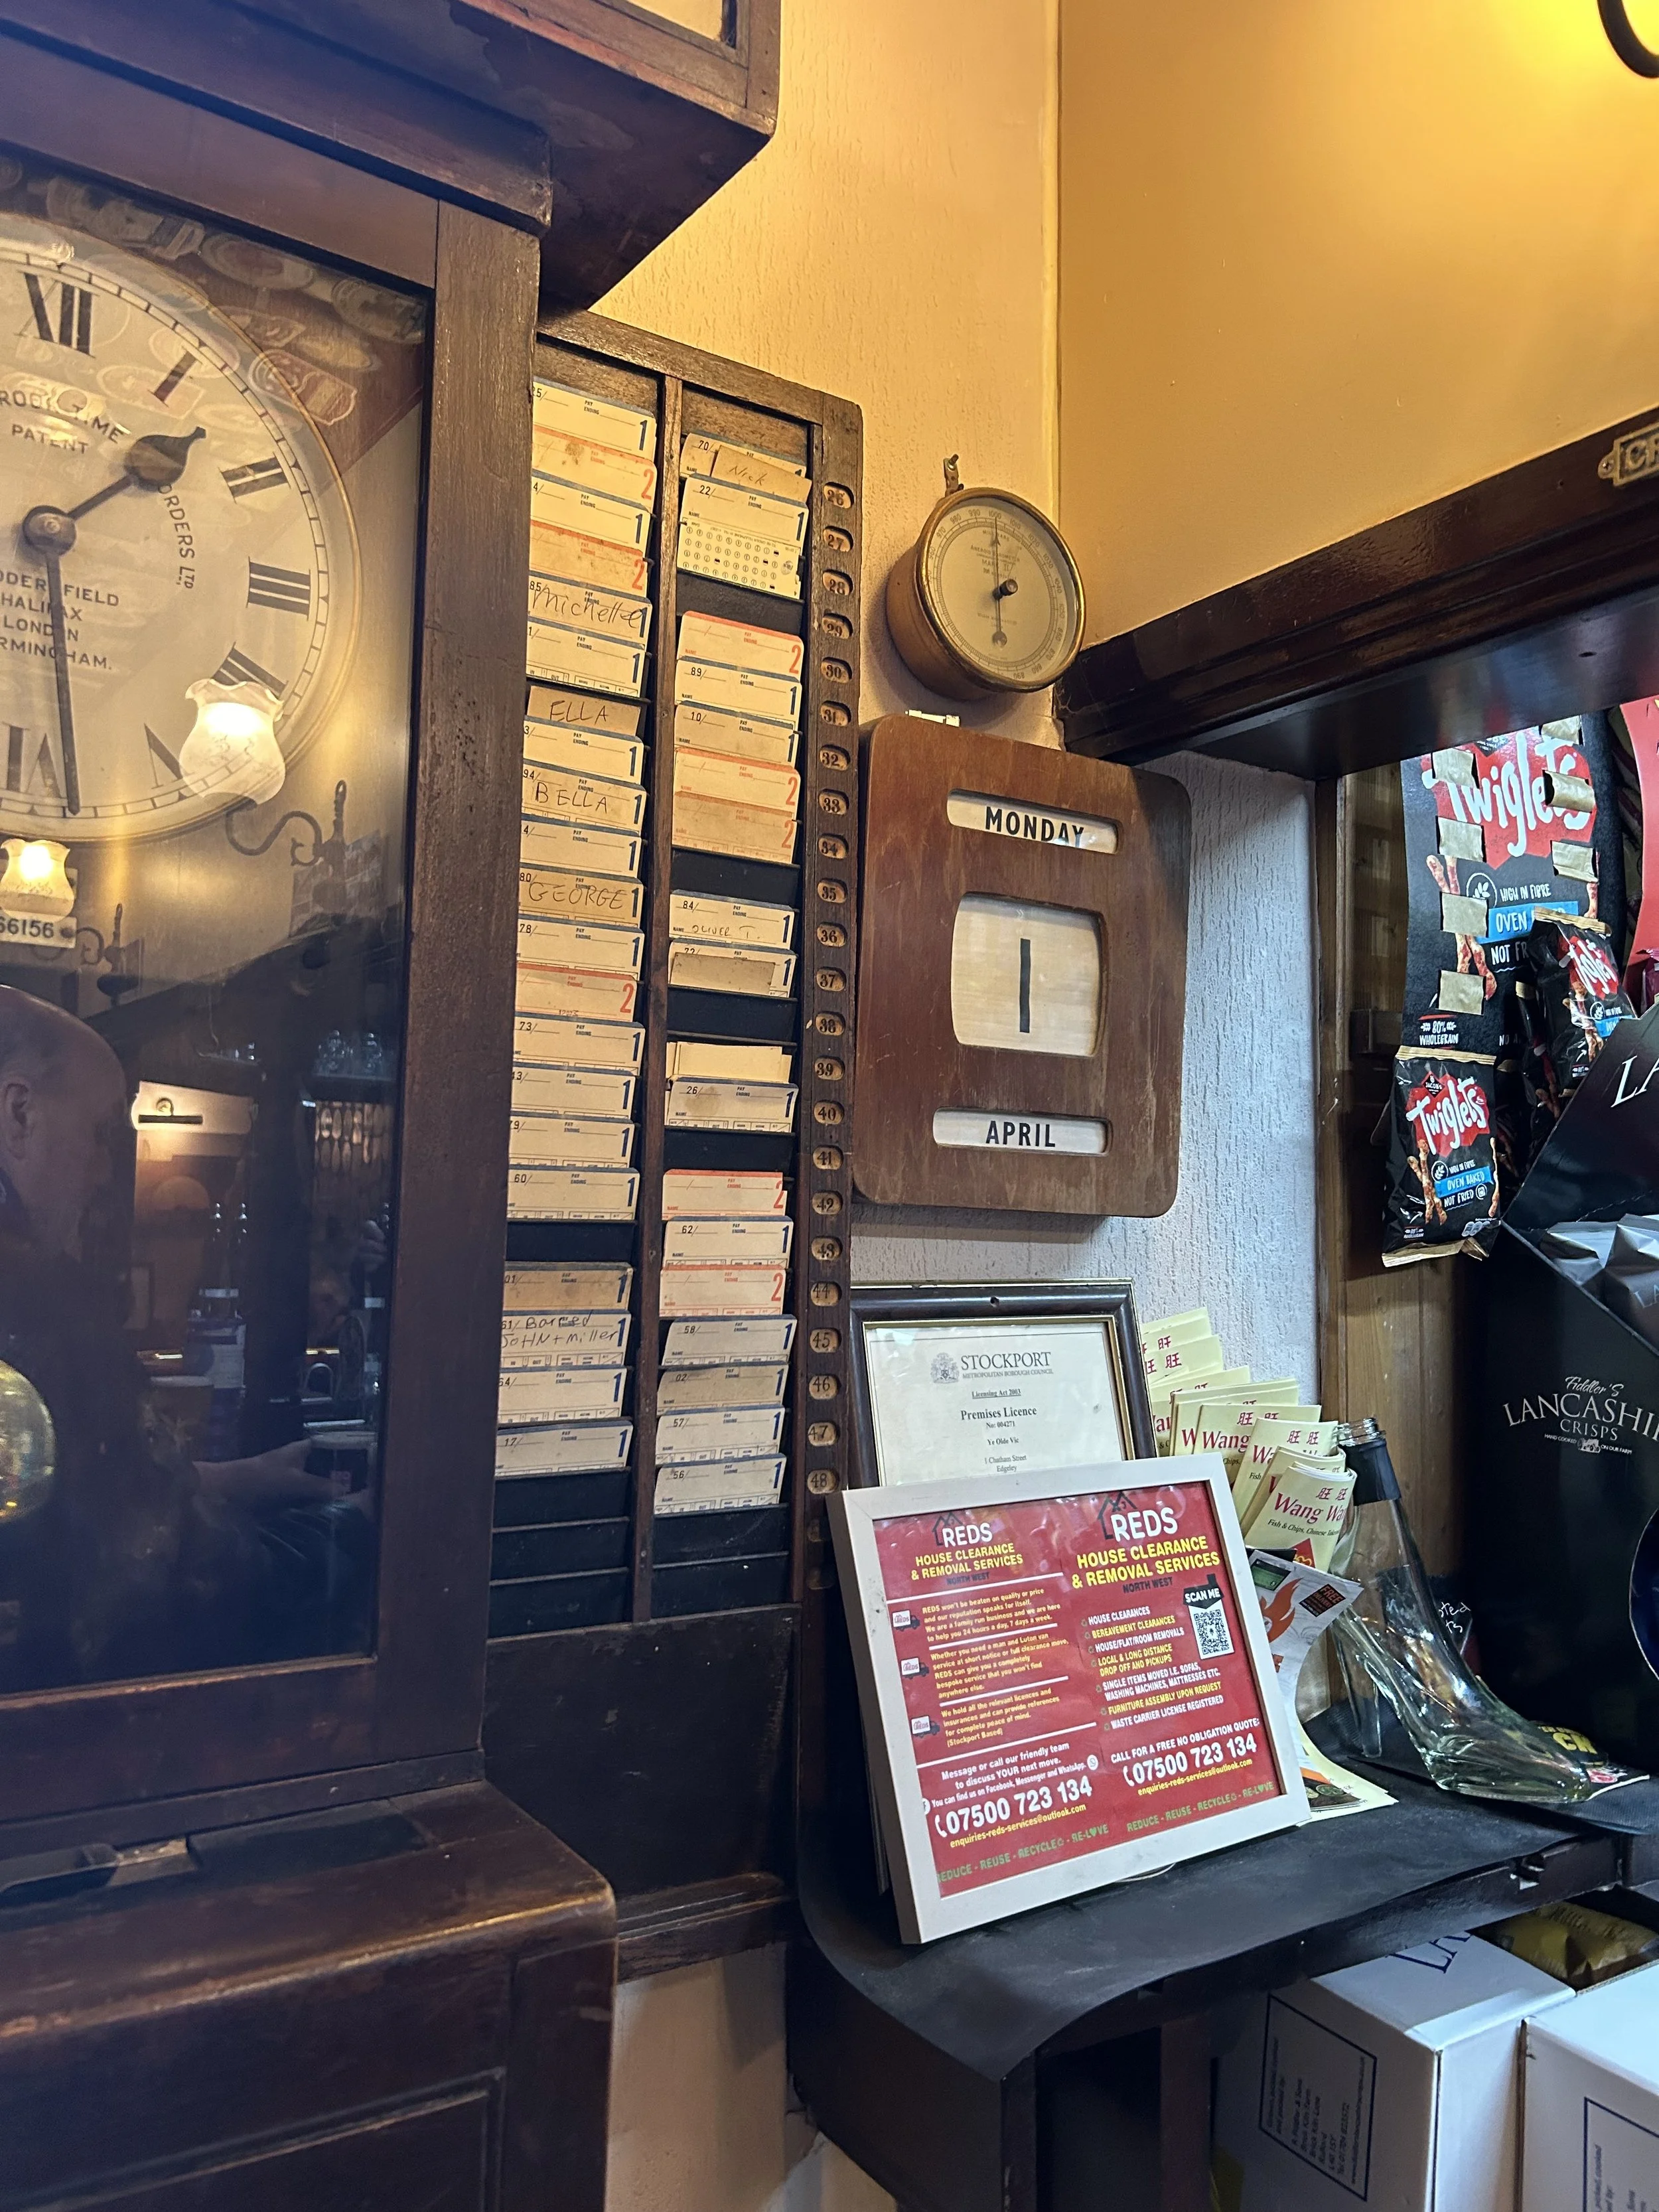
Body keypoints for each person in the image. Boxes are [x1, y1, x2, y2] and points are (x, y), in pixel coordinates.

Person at [0, 986, 353, 1689]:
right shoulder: (35, 1304)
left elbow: (44, 1486)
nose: (105, 1173)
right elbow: (177, 1583)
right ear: (18, 1115)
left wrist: (238, 1479)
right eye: (101, 1132)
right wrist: (354, 1539)